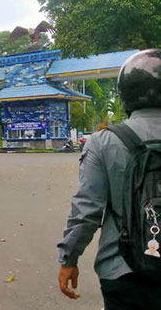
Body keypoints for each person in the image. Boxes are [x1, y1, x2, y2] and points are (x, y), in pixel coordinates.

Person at [57, 49, 161, 309]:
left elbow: (87, 210)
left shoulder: (104, 142)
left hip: (122, 268)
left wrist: (69, 259)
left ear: (125, 93)